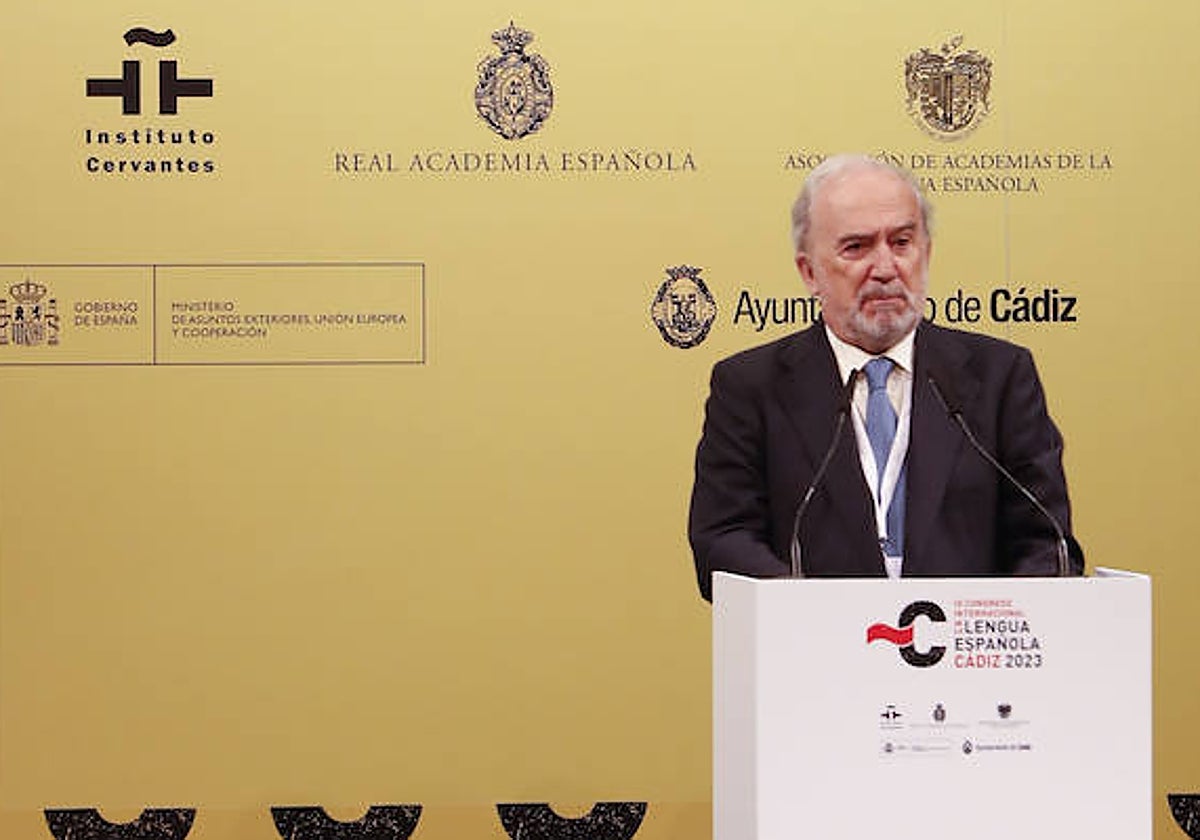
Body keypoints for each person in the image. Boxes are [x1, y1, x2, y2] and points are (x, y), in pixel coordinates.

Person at [688, 153, 1083, 601]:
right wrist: (807, 618)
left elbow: (1048, 544)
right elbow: (723, 540)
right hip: (816, 659)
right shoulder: (750, 387)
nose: (884, 268)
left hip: (966, 659)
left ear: (926, 252)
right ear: (809, 272)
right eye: (856, 247)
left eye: (901, 243)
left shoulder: (1000, 377)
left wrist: (991, 625)